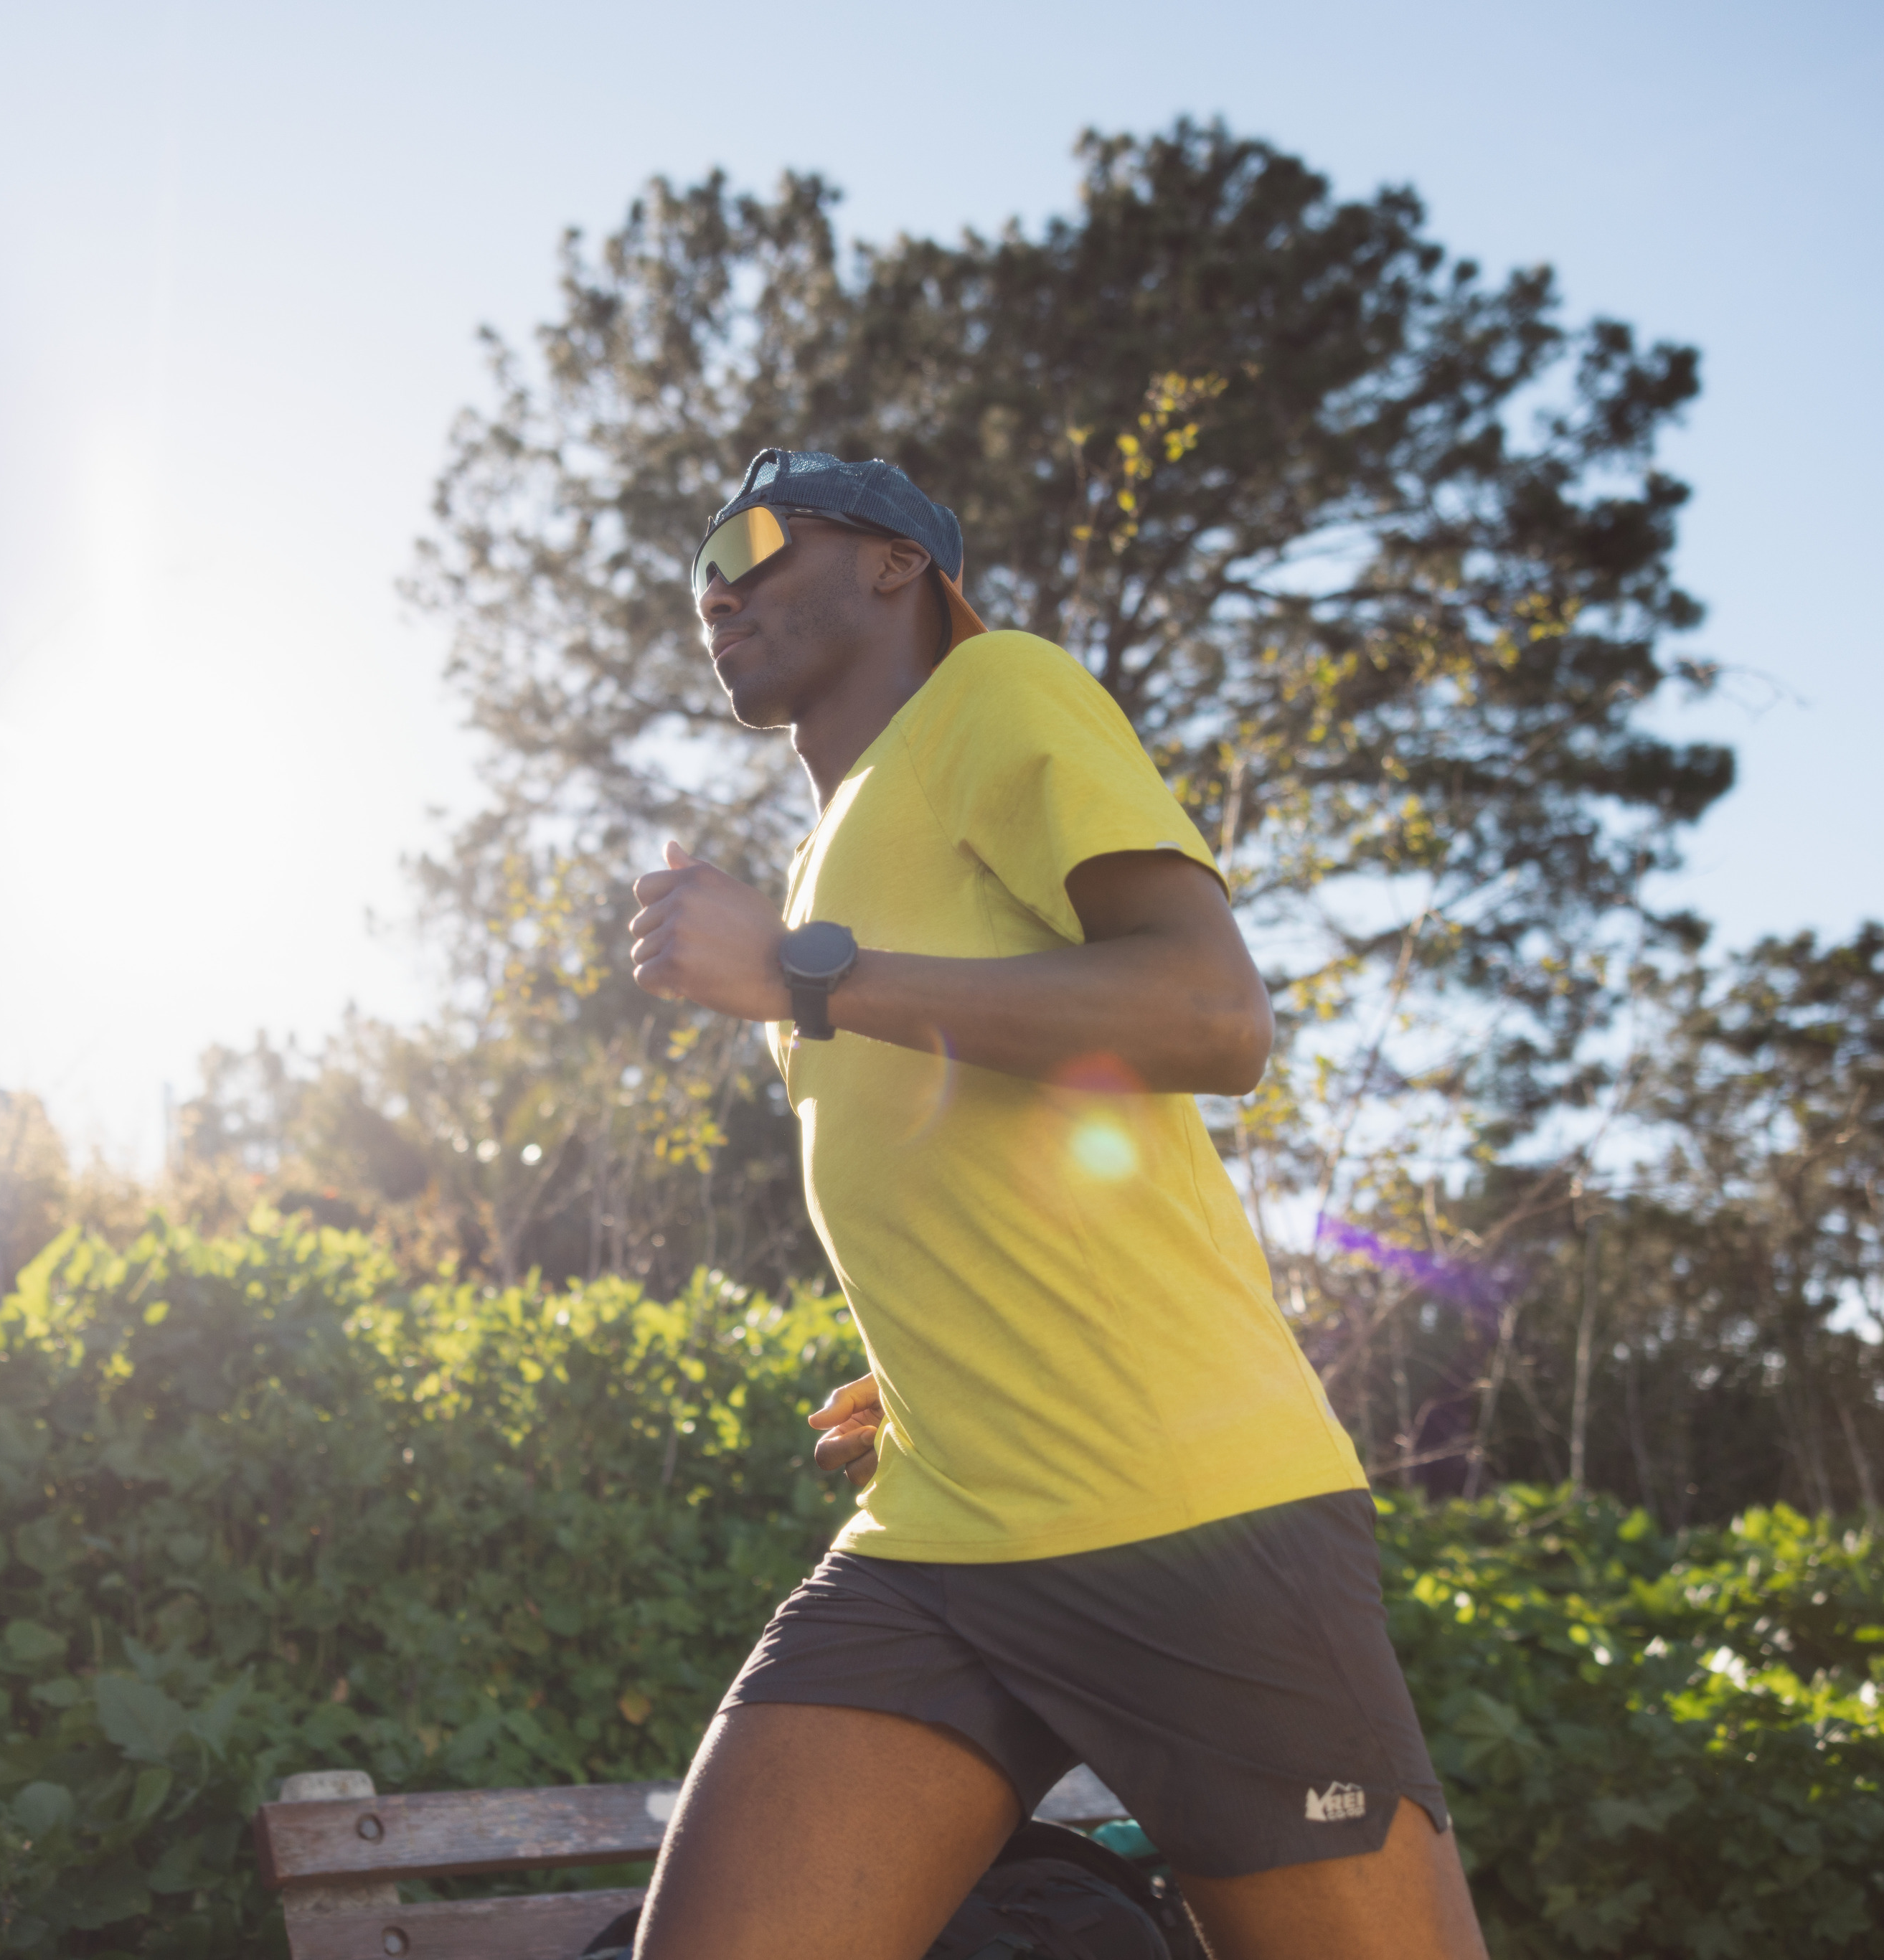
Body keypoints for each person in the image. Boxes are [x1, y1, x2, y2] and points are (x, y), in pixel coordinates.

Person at [624, 448, 1489, 1960]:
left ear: (896, 563)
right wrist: (927, 1357)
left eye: (753, 538)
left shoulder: (999, 690)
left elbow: (1209, 1014)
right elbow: (976, 1142)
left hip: (1186, 1511)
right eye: (701, 564)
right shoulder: (824, 846)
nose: (718, 582)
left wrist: (799, 974)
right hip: (942, 1527)